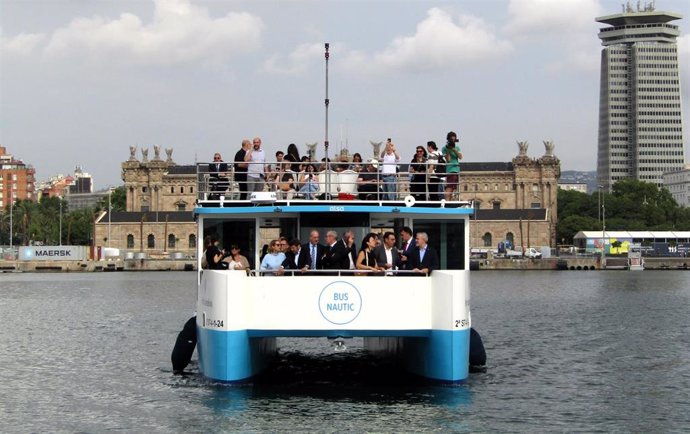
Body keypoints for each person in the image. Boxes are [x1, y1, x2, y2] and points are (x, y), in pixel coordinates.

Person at [442, 131, 462, 201]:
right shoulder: (444, 148)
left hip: (456, 170)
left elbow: (460, 157)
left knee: (452, 188)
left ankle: (449, 201)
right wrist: (448, 150)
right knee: (449, 187)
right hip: (450, 170)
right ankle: (447, 201)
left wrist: (453, 149)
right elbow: (449, 160)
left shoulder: (457, 148)